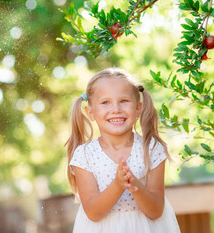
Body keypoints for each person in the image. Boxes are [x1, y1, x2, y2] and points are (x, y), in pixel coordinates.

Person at [66, 68, 180, 233]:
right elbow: (93, 212)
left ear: (138, 109)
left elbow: (156, 211)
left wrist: (135, 185)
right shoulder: (85, 155)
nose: (116, 109)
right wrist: (118, 185)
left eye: (124, 101)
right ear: (90, 112)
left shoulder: (151, 148)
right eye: (105, 102)